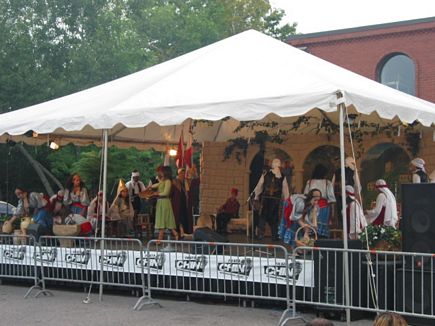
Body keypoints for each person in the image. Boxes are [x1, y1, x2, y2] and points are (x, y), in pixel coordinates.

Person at [254, 158, 290, 241]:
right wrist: (286, 200)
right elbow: (285, 189)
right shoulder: (281, 176)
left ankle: (261, 235)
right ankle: (274, 236)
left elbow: (259, 185)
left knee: (263, 217)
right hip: (275, 200)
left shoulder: (266, 174)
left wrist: (256, 196)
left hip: (267, 199)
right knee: (273, 218)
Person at [304, 164, 336, 238]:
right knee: (322, 227)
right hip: (323, 207)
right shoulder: (327, 183)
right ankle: (322, 242)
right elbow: (331, 199)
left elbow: (306, 195)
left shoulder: (310, 182)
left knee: (312, 226)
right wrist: (333, 212)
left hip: (312, 206)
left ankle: (312, 242)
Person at [149, 166, 178, 241]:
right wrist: (150, 188)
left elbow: (166, 193)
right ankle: (174, 234)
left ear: (165, 172)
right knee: (164, 220)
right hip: (160, 202)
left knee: (164, 219)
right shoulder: (162, 181)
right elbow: (156, 185)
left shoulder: (168, 181)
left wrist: (157, 194)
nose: (160, 173)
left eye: (161, 171)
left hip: (165, 202)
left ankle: (160, 239)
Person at [171, 168, 193, 238]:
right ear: (179, 174)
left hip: (184, 203)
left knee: (183, 218)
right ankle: (178, 232)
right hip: (177, 203)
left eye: (184, 173)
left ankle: (183, 232)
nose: (183, 175)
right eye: (181, 173)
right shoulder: (175, 182)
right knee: (178, 218)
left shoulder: (185, 183)